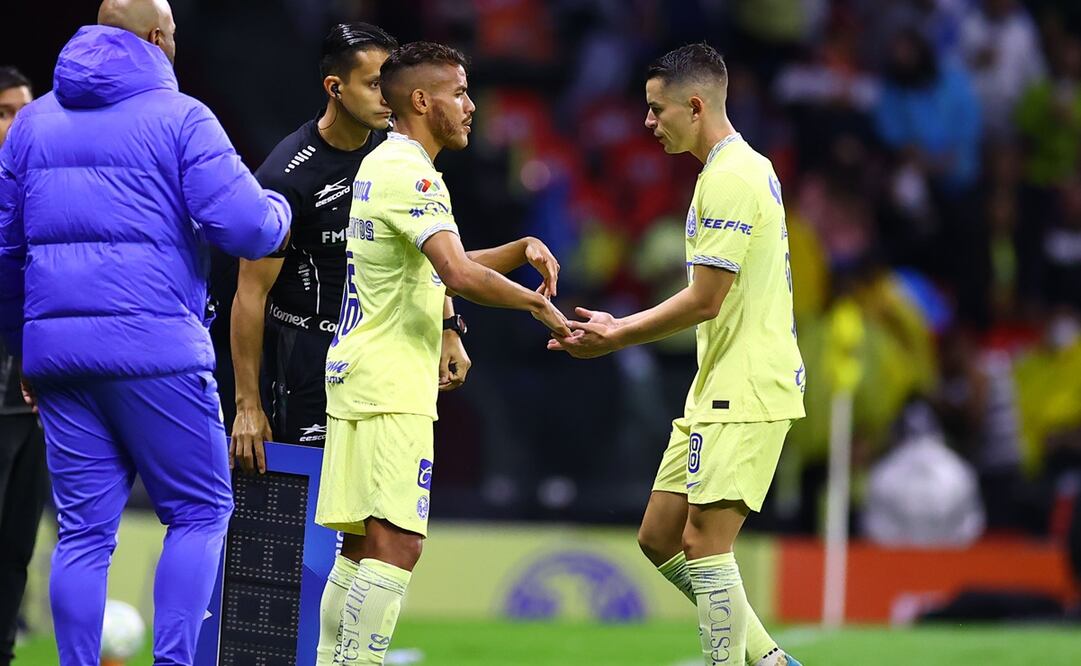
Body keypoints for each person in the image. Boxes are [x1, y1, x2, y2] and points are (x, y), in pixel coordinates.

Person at [0, 0, 292, 663]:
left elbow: (5, 251)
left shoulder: (33, 123)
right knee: (198, 513)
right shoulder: (181, 117)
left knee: (82, 534)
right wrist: (280, 208)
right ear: (158, 38)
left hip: (58, 360)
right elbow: (247, 229)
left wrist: (26, 346)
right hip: (154, 349)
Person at [313, 42, 570, 664]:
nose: (470, 105)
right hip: (389, 381)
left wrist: (517, 248)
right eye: (458, 92)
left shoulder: (386, 163)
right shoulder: (414, 172)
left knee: (361, 548)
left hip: (361, 373)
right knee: (398, 545)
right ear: (422, 100)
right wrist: (536, 305)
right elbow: (453, 272)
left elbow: (427, 266)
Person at [550, 44, 805, 666]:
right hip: (717, 384)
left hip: (746, 385)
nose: (647, 122)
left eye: (655, 109)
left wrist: (619, 331)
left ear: (695, 105)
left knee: (704, 543)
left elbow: (706, 299)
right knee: (660, 535)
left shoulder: (731, 177)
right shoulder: (735, 169)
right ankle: (768, 659)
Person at [229, 22, 475, 474]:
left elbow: (426, 255)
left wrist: (448, 327)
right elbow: (250, 293)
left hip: (378, 358)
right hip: (306, 359)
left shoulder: (399, 155)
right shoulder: (286, 177)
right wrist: (247, 404)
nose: (389, 97)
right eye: (375, 84)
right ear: (335, 88)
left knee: (373, 512)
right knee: (311, 516)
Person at [0, 65, 46, 666]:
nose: (18, 124)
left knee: (16, 546)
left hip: (37, 395)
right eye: (5, 112)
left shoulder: (43, 185)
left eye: (24, 111)